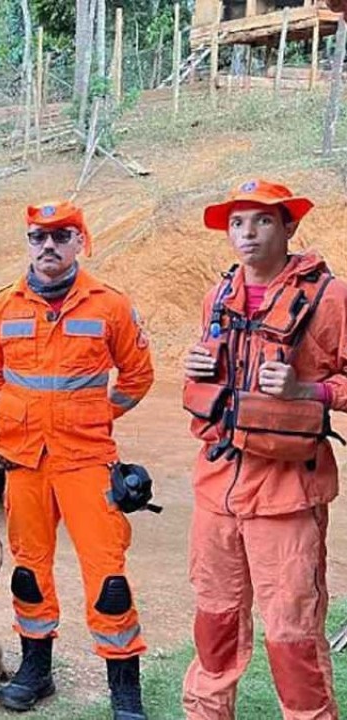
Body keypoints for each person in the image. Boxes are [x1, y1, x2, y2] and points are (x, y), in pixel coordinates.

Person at [0, 200, 154, 719]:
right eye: (38, 237)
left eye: (60, 236)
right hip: (25, 462)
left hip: (87, 460)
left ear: (80, 241)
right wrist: (19, 414)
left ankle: (125, 691)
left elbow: (138, 377)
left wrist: (95, 414)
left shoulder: (109, 305)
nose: (48, 246)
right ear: (28, 242)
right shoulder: (3, 306)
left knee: (109, 580)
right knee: (29, 572)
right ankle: (37, 672)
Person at [181, 179, 344, 720]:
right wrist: (198, 368)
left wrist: (309, 391)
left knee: (291, 636)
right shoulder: (217, 295)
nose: (247, 234)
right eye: (236, 223)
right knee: (214, 623)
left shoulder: (330, 298)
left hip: (286, 496)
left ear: (289, 226)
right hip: (216, 491)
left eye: (262, 221)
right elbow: (215, 375)